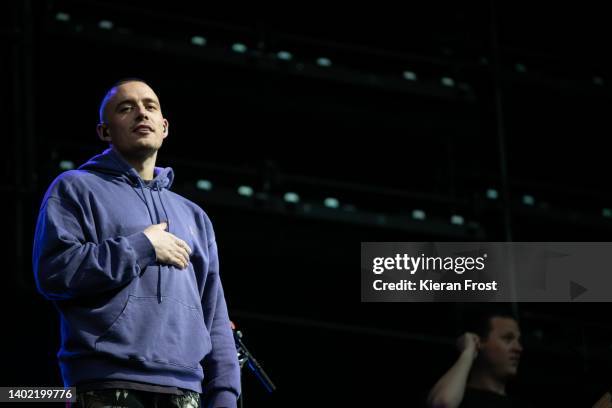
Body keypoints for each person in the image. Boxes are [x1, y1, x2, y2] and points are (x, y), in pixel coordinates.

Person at [33, 78, 240, 407]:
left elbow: (214, 315)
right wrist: (143, 246)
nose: (141, 113)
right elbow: (55, 272)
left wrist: (226, 394)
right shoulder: (75, 188)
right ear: (104, 131)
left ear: (164, 126)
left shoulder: (195, 217)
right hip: (106, 383)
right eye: (126, 108)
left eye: (150, 106)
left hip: (186, 390)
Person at [427, 308, 529, 408]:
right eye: (508, 339)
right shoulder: (458, 398)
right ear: (478, 342)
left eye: (518, 341)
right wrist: (468, 351)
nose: (518, 348)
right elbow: (443, 403)